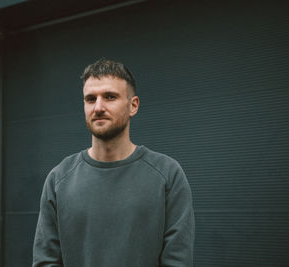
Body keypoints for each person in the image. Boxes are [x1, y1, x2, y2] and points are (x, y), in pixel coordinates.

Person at [32, 59, 195, 267]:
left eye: (110, 97)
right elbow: (46, 261)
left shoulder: (168, 175)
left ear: (133, 105)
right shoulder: (59, 179)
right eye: (90, 99)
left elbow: (177, 261)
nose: (98, 107)